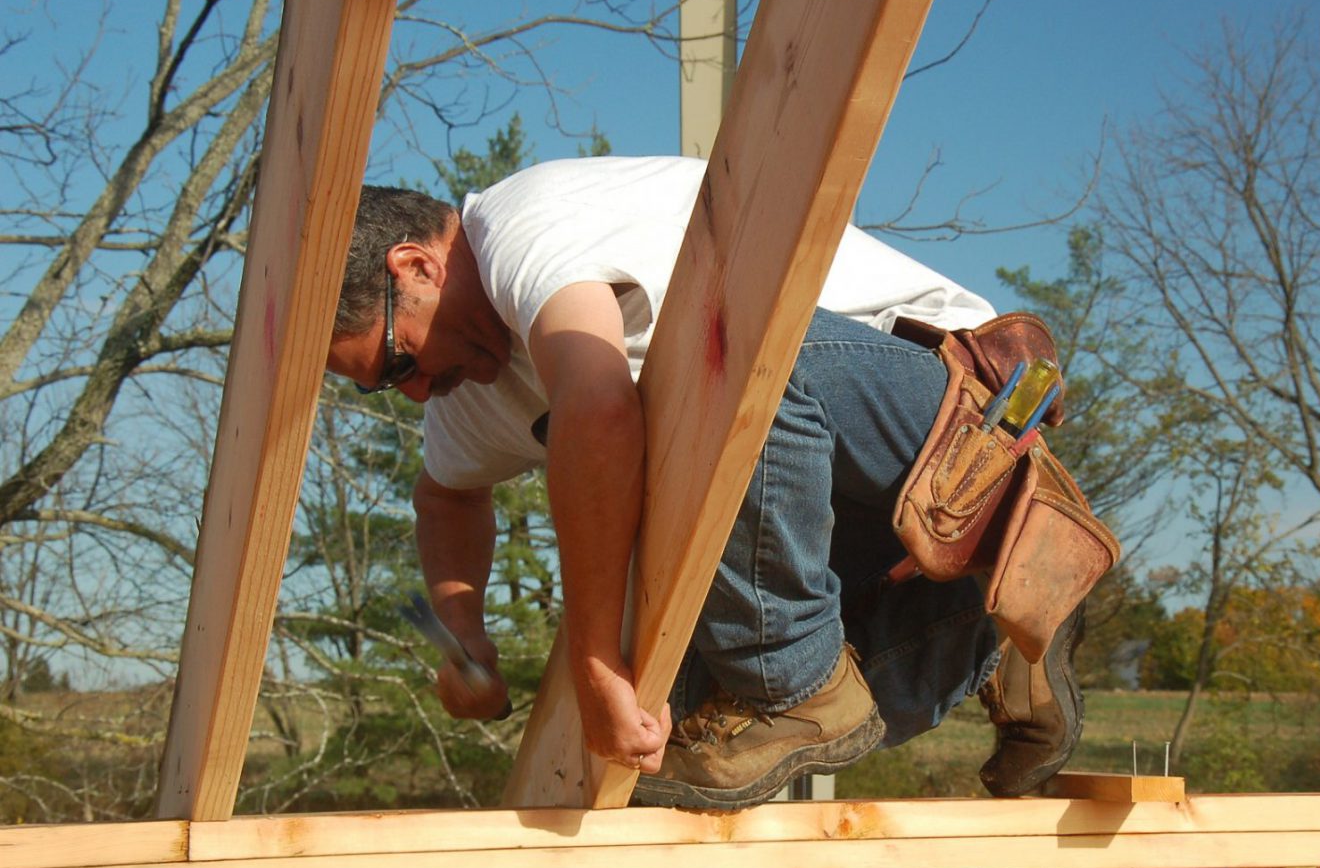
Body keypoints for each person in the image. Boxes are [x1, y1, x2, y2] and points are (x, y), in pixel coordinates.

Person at [324, 155, 1088, 808]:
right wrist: (463, 630)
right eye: (381, 385)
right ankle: (987, 631)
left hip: (949, 431)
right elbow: (447, 495)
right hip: (811, 485)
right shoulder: (470, 377)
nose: (413, 393)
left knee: (711, 367)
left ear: (417, 266)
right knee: (664, 736)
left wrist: (596, 662)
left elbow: (599, 407)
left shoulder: (519, 230)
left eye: (397, 363)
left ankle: (800, 685)